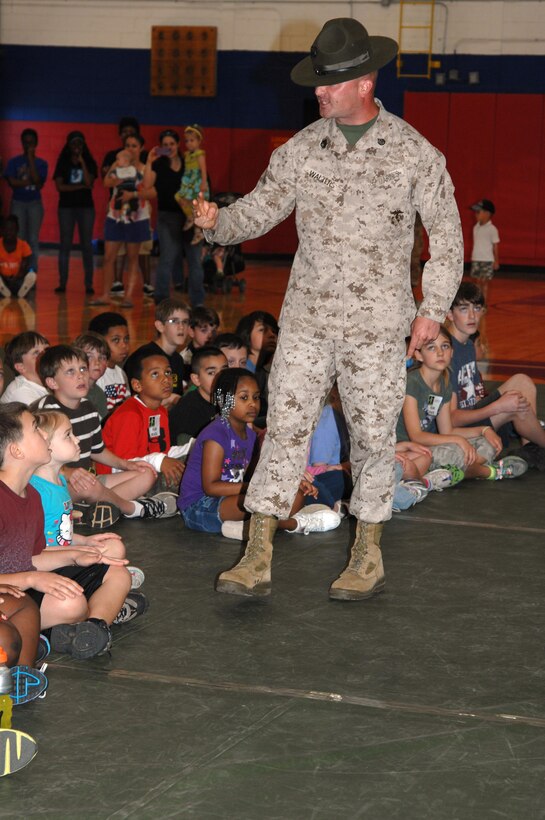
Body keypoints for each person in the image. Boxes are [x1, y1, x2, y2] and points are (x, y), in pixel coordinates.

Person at [193, 17, 465, 601]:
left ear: (364, 81)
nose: (317, 91)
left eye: (329, 82)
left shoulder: (415, 153)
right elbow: (259, 210)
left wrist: (431, 310)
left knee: (370, 438)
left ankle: (368, 555)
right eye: (316, 82)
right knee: (285, 430)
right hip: (308, 323)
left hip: (379, 325)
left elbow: (447, 238)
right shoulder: (300, 150)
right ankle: (257, 554)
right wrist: (219, 224)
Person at [0, 403, 133, 660]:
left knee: (117, 571)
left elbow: (34, 555)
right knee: (71, 602)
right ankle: (48, 635)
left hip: (24, 585)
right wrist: (31, 579)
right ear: (16, 450)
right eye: (36, 430)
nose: (44, 436)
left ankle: (92, 628)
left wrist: (76, 556)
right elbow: (27, 571)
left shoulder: (31, 494)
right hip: (12, 592)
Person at [178, 368, 340, 539]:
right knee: (249, 503)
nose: (252, 404)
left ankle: (244, 528)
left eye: (256, 397)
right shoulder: (216, 434)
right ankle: (296, 524)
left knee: (295, 497)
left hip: (231, 499)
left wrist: (291, 483)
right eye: (244, 397)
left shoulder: (250, 435)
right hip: (199, 506)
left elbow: (258, 474)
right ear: (222, 400)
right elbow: (211, 487)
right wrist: (257, 488)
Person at [35, 345, 178, 523]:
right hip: (58, 484)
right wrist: (67, 472)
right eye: (70, 372)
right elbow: (37, 458)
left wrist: (126, 465)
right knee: (90, 487)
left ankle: (94, 509)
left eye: (82, 369)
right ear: (52, 383)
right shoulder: (47, 411)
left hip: (88, 482)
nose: (81, 376)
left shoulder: (88, 409)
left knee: (146, 473)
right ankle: (134, 508)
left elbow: (98, 451)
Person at [396, 325, 527, 482]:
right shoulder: (412, 382)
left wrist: (484, 430)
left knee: (488, 443)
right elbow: (416, 436)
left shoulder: (444, 383)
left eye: (445, 346)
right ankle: (488, 471)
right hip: (409, 447)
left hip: (430, 445)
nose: (440, 352)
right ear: (419, 354)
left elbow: (447, 430)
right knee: (457, 452)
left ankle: (452, 471)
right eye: (431, 348)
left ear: (451, 352)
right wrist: (459, 441)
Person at [447, 282, 545, 454]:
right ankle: (537, 444)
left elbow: (476, 397)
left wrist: (497, 405)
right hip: (459, 428)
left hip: (474, 415)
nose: (472, 316)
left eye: (477, 309)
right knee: (515, 406)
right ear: (449, 314)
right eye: (464, 309)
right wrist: (498, 407)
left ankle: (530, 446)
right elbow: (451, 419)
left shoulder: (468, 345)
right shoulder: (446, 353)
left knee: (522, 381)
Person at [98, 350, 188, 493]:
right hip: (119, 479)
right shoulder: (129, 414)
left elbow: (161, 452)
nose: (166, 379)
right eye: (155, 374)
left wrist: (196, 445)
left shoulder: (161, 411)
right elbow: (124, 464)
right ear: (137, 385)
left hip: (148, 468)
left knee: (195, 453)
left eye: (168, 372)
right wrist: (160, 461)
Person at [143, 130, 205, 306]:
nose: (169, 147)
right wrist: (149, 161)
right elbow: (147, 185)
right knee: (167, 258)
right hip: (167, 216)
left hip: (191, 217)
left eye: (172, 143)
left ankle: (198, 302)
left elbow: (202, 182)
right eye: (165, 144)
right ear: (161, 147)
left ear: (178, 145)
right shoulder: (159, 164)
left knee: (194, 260)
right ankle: (161, 299)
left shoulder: (190, 161)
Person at [91, 134, 154, 307]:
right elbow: (105, 182)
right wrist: (118, 177)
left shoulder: (143, 168)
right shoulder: (117, 163)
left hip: (136, 216)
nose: (130, 148)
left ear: (141, 148)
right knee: (109, 256)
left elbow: (151, 191)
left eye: (134, 145)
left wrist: (133, 193)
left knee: (132, 257)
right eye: (127, 145)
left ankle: (128, 296)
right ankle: (105, 295)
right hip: (116, 215)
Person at [53, 131, 98, 295]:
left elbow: (89, 181)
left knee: (86, 245)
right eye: (73, 144)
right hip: (66, 207)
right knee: (65, 245)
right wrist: (80, 187)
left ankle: (88, 285)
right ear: (69, 145)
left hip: (86, 208)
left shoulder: (89, 162)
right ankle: (62, 283)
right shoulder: (62, 163)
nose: (77, 147)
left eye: (79, 144)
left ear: (83, 145)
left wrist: (82, 163)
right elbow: (60, 187)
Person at [124, 298, 191, 406]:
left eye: (185, 321)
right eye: (174, 321)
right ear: (160, 326)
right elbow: (136, 400)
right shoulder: (144, 357)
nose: (181, 327)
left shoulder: (177, 359)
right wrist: (171, 399)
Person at [4, 128, 48, 273]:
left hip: (34, 204)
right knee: (19, 238)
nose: (28, 145)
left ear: (36, 143)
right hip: (18, 203)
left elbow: (38, 182)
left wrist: (30, 158)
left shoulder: (41, 163)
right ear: (22, 143)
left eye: (31, 142)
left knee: (33, 239)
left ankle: (32, 273)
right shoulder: (14, 162)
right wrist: (30, 182)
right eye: (26, 142)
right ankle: (17, 272)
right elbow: (12, 182)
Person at [168, 346, 227, 443]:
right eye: (211, 373)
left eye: (224, 371)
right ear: (196, 379)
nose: (220, 377)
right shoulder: (189, 409)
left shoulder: (227, 398)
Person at [87, 312, 131, 412]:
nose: (124, 345)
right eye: (116, 340)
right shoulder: (95, 374)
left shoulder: (120, 373)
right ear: (98, 341)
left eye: (126, 339)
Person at [175, 124, 209, 244]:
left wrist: (204, 183)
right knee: (179, 197)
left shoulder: (199, 154)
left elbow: (203, 170)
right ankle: (190, 217)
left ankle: (198, 232)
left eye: (192, 140)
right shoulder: (187, 155)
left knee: (197, 206)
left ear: (199, 141)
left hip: (196, 182)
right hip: (188, 181)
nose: (189, 143)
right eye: (187, 141)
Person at [0, 331, 49, 405]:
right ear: (21, 367)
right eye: (36, 353)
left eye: (47, 350)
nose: (46, 355)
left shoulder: (50, 384)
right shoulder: (20, 391)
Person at [72, 332, 109, 420]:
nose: (97, 362)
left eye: (102, 357)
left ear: (107, 363)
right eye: (89, 357)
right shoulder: (72, 392)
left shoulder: (99, 393)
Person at [0, 215, 37, 299]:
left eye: (12, 230)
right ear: (2, 231)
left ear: (17, 231)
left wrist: (16, 277)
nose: (8, 232)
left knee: (29, 275)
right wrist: (3, 277)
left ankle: (23, 290)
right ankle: (3, 290)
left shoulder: (23, 245)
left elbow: (25, 265)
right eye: (6, 230)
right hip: (2, 279)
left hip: (18, 279)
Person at [469, 199, 499, 283]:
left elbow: (495, 245)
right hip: (476, 258)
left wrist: (496, 261)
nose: (476, 215)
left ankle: (484, 297)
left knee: (485, 282)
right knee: (477, 281)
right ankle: (479, 296)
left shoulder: (492, 229)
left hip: (487, 260)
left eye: (478, 212)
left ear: (487, 214)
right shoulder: (475, 227)